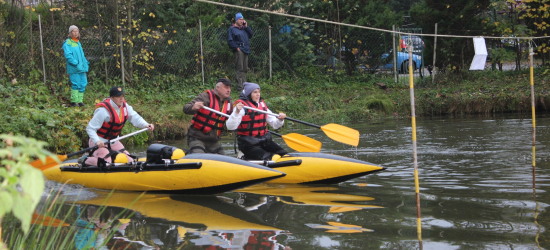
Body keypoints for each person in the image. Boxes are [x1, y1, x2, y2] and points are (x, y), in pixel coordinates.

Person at [81, 86, 154, 167]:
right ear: (112, 98)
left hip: (114, 141)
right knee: (106, 162)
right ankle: (85, 159)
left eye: (122, 96)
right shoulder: (103, 111)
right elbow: (90, 128)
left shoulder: (125, 107)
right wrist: (97, 141)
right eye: (118, 96)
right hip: (100, 141)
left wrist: (146, 125)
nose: (121, 99)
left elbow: (135, 117)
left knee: (129, 160)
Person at [226, 82, 288, 160]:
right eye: (255, 92)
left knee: (285, 155)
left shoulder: (261, 105)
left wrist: (280, 120)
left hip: (265, 142)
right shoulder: (241, 107)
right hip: (249, 144)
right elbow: (230, 127)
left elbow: (275, 125)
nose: (258, 94)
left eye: (258, 92)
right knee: (271, 158)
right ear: (249, 94)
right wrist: (237, 112)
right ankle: (244, 156)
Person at [183, 78, 239, 155]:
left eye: (229, 88)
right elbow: (186, 108)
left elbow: (231, 125)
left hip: (213, 141)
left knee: (224, 161)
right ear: (218, 88)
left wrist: (237, 113)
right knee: (200, 158)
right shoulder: (205, 97)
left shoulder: (229, 104)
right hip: (197, 138)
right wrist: (193, 107)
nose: (229, 90)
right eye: (226, 87)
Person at [62, 25, 90, 107]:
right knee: (76, 83)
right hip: (74, 68)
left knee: (83, 83)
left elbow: (82, 55)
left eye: (77, 31)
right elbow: (68, 55)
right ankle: (75, 101)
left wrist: (85, 63)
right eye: (73, 31)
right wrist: (75, 63)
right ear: (70, 33)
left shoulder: (78, 42)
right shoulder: (68, 43)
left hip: (82, 68)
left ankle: (80, 100)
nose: (75, 32)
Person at [227, 12, 253, 92]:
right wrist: (236, 48)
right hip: (239, 50)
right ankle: (239, 87)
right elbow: (230, 40)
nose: (242, 21)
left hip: (246, 49)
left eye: (242, 19)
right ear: (236, 20)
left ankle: (244, 86)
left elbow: (251, 35)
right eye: (240, 19)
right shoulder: (232, 29)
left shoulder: (244, 28)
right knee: (240, 68)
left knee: (245, 68)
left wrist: (247, 26)